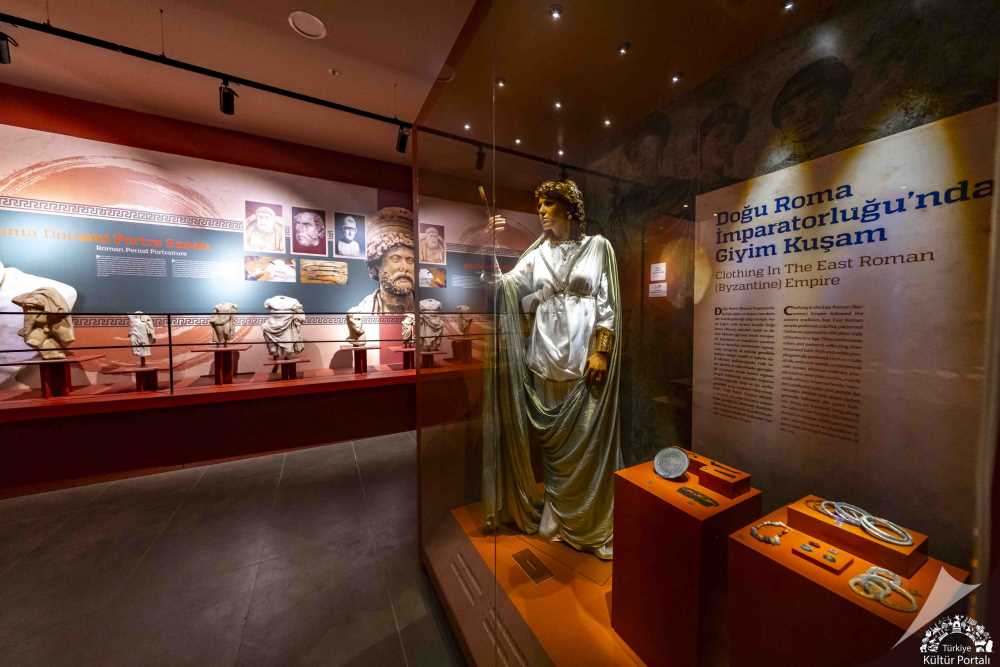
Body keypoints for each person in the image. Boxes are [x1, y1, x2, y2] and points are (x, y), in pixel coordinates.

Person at [483, 179, 623, 560]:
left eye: (548, 204)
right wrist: (490, 247)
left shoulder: (599, 247)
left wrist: (602, 351)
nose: (541, 211)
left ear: (569, 208)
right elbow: (506, 286)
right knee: (555, 450)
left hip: (584, 362)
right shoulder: (538, 254)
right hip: (544, 360)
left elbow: (608, 304)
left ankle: (590, 522)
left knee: (588, 444)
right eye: (539, 205)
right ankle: (558, 519)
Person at [350, 207, 415, 313]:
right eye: (395, 259)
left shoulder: (430, 317)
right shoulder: (360, 315)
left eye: (410, 260)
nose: (404, 267)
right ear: (376, 266)